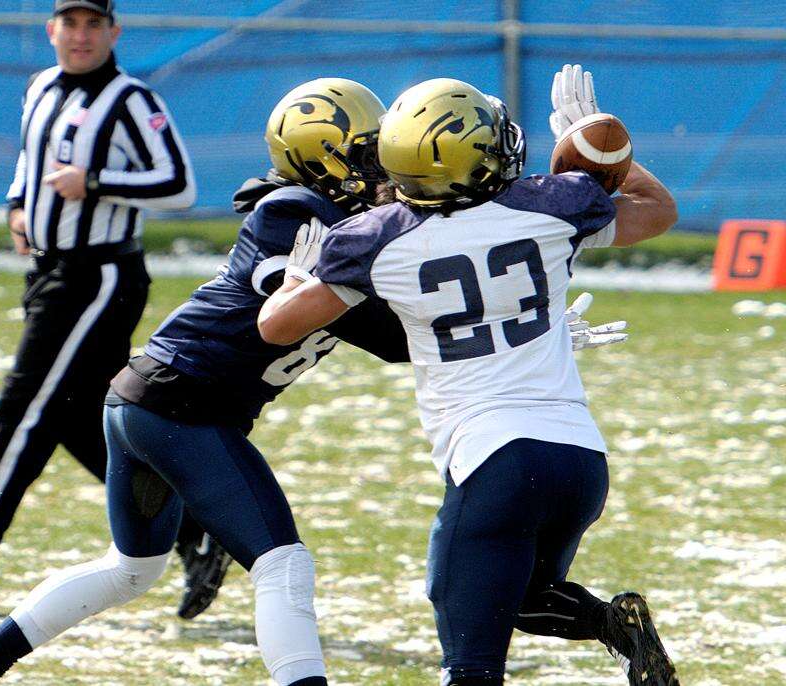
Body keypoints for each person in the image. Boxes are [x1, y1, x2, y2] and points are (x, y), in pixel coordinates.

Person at [0, 73, 624, 684]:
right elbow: (347, 328)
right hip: (181, 404)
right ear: (326, 161)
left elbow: (403, 322)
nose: (387, 166)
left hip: (151, 399)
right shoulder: (292, 211)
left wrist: (503, 316)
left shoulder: (345, 219)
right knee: (282, 565)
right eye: (370, 152)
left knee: (131, 569)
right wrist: (501, 317)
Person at [257, 70, 680, 686]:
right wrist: (604, 154)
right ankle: (619, 628)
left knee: (470, 664)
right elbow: (658, 212)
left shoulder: (377, 241)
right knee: (530, 597)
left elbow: (276, 328)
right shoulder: (552, 206)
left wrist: (297, 276)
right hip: (580, 460)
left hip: (493, 461)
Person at [0, 0, 205, 614]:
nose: (81, 36)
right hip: (50, 272)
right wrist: (17, 206)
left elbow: (178, 185)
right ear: (51, 29)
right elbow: (33, 156)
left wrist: (96, 179)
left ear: (114, 31)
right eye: (70, 23)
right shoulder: (41, 85)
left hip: (98, 276)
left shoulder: (130, 99)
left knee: (20, 416)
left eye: (93, 24)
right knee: (86, 420)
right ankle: (196, 530)